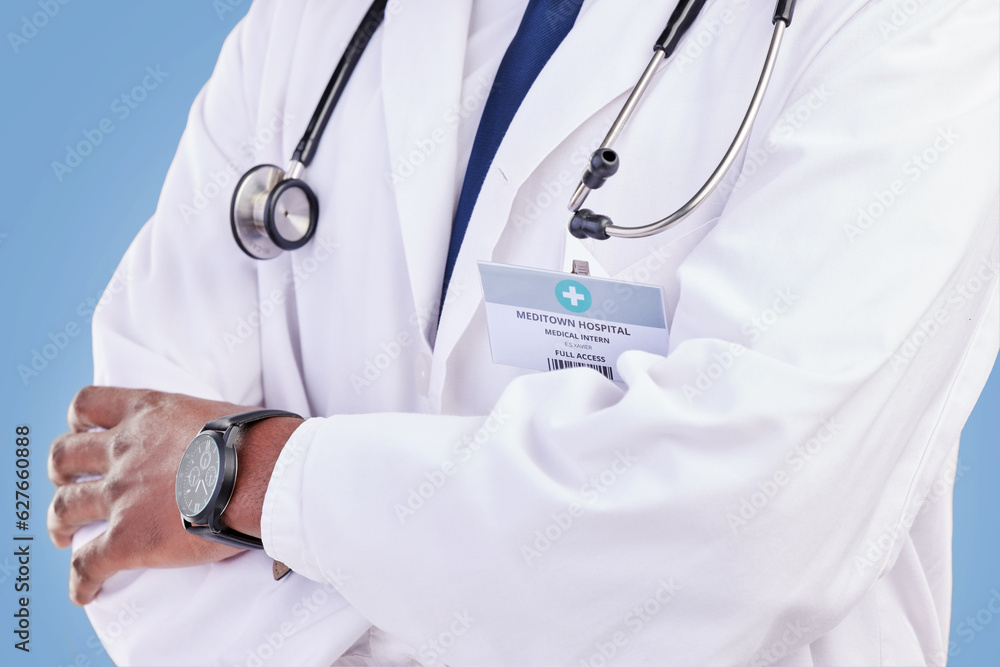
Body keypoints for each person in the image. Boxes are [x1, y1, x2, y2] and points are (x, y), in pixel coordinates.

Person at [46, 0, 999, 665]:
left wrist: (254, 475)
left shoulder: (912, 25)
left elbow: (736, 532)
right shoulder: (317, 21)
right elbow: (121, 491)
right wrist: (493, 566)